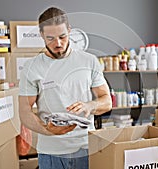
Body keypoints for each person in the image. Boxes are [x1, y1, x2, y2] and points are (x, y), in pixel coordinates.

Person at [18, 6, 112, 169]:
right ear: (41, 35)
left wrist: (90, 105)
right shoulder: (32, 67)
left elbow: (107, 101)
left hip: (86, 149)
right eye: (50, 38)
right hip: (51, 153)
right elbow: (24, 112)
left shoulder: (89, 61)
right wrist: (49, 130)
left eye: (62, 36)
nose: (58, 43)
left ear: (69, 31)